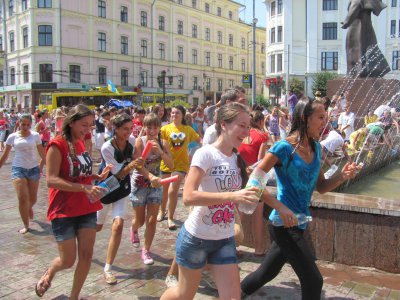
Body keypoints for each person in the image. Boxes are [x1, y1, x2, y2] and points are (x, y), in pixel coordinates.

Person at [240, 97, 361, 299]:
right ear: (305, 118)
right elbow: (253, 182)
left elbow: (321, 187)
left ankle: (235, 293)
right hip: (283, 224)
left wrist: (343, 176)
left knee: (266, 273)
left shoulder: (317, 148)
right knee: (314, 280)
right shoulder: (283, 148)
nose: (326, 122)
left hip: (300, 222)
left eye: (326, 117)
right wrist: (280, 207)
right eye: (321, 117)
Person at [160, 103, 259, 300]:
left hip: (224, 238)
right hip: (196, 239)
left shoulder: (236, 158)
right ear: (224, 124)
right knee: (184, 294)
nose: (246, 132)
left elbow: (241, 193)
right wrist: (232, 196)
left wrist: (279, 206)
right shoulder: (205, 154)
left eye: (248, 126)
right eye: (241, 125)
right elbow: (188, 197)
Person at [34, 104, 112, 299]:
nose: (87, 130)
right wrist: (83, 188)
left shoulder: (80, 143)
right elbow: (51, 179)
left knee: (86, 255)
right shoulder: (56, 144)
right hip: (64, 210)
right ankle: (50, 271)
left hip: (86, 207)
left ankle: (74, 296)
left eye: (91, 125)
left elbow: (79, 172)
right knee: (68, 260)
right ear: (71, 122)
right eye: (84, 125)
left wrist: (96, 176)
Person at [96, 113, 144, 284]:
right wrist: (133, 164)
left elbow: (140, 161)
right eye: (125, 129)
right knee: (97, 227)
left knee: (118, 225)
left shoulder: (131, 141)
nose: (129, 132)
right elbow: (118, 173)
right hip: (106, 189)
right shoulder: (107, 148)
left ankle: (108, 268)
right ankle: (83, 243)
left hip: (122, 190)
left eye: (131, 129)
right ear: (115, 128)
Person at [130, 113, 173, 265]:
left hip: (156, 184)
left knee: (152, 220)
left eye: (155, 127)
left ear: (159, 128)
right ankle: (134, 229)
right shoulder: (139, 142)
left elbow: (171, 165)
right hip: (140, 183)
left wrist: (161, 152)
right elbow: (138, 165)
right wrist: (151, 177)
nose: (152, 131)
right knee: (140, 220)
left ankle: (146, 250)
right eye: (149, 127)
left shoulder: (163, 143)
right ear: (144, 128)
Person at [0, 114, 46, 234]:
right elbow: (5, 156)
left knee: (33, 198)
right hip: (18, 168)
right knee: (22, 198)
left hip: (33, 169)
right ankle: (26, 225)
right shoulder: (12, 137)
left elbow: (43, 154)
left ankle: (29, 207)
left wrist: (51, 167)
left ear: (31, 124)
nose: (25, 127)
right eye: (23, 124)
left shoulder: (35, 136)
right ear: (18, 124)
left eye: (28, 125)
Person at [157, 105, 200, 230]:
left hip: (181, 165)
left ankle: (170, 218)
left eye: (177, 113)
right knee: (164, 191)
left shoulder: (187, 129)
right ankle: (162, 211)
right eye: (172, 113)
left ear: (182, 115)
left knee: (172, 190)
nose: (174, 115)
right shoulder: (164, 129)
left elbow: (199, 140)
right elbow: (161, 145)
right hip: (166, 163)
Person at [238, 110, 270, 256]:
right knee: (257, 214)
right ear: (261, 121)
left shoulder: (242, 134)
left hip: (240, 176)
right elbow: (261, 160)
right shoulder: (263, 136)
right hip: (255, 178)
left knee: (239, 214)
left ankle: (232, 246)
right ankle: (258, 248)